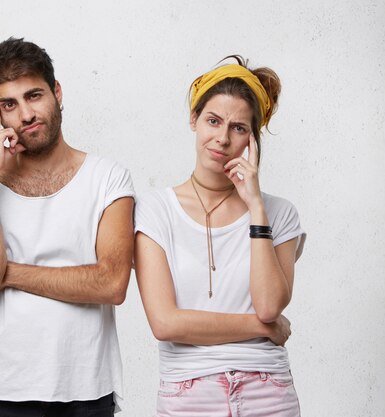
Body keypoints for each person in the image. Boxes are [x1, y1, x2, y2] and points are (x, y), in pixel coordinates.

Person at [0, 37, 135, 417]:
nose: (25, 114)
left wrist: (10, 273)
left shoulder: (108, 178)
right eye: (9, 104)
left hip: (84, 390)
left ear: (56, 91)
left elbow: (112, 283)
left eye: (34, 95)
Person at [134, 55, 306, 417]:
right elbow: (166, 323)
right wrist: (264, 328)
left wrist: (256, 207)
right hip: (188, 392)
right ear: (194, 119)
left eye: (239, 128)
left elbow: (270, 305)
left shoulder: (279, 213)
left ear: (252, 141)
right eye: (213, 121)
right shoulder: (155, 210)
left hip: (268, 390)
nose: (223, 138)